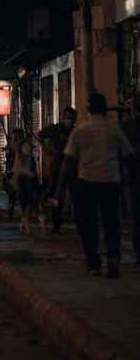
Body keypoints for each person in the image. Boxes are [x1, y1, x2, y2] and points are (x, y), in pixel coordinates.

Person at [56, 92, 134, 279]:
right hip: (111, 183)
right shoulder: (114, 130)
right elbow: (129, 155)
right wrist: (127, 180)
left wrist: (60, 188)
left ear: (88, 108)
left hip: (87, 182)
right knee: (111, 223)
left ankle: (93, 263)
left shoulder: (80, 131)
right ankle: (113, 260)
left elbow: (69, 162)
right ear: (105, 109)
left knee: (88, 224)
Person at [39, 107, 77, 235]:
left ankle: (77, 222)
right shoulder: (56, 128)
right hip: (57, 165)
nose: (69, 120)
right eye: (67, 117)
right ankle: (56, 224)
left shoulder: (75, 131)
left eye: (71, 118)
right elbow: (41, 135)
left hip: (73, 165)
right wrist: (46, 149)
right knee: (57, 194)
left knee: (75, 194)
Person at [121, 97, 140, 266]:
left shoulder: (129, 128)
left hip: (132, 178)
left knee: (135, 216)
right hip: (132, 177)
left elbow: (125, 153)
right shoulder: (129, 127)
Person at [11, 128, 38, 235]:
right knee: (22, 200)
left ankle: (25, 222)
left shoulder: (25, 146)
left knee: (26, 200)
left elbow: (23, 160)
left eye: (15, 138)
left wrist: (17, 149)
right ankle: (24, 223)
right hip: (19, 175)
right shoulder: (19, 146)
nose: (14, 140)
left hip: (25, 175)